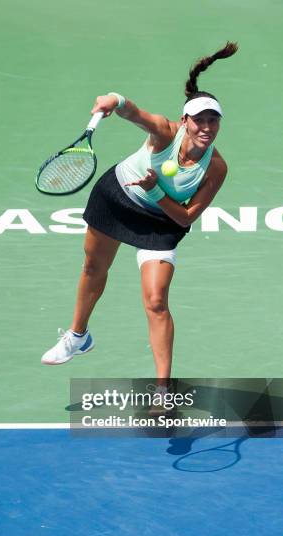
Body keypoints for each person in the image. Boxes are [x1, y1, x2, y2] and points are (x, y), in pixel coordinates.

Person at [41, 42, 238, 386]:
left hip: (162, 220)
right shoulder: (164, 132)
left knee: (157, 301)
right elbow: (132, 111)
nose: (206, 127)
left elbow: (186, 218)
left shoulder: (216, 168)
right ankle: (78, 336)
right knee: (93, 267)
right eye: (199, 120)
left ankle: (163, 387)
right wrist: (113, 100)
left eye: (213, 120)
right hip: (116, 198)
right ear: (184, 121)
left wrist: (156, 192)